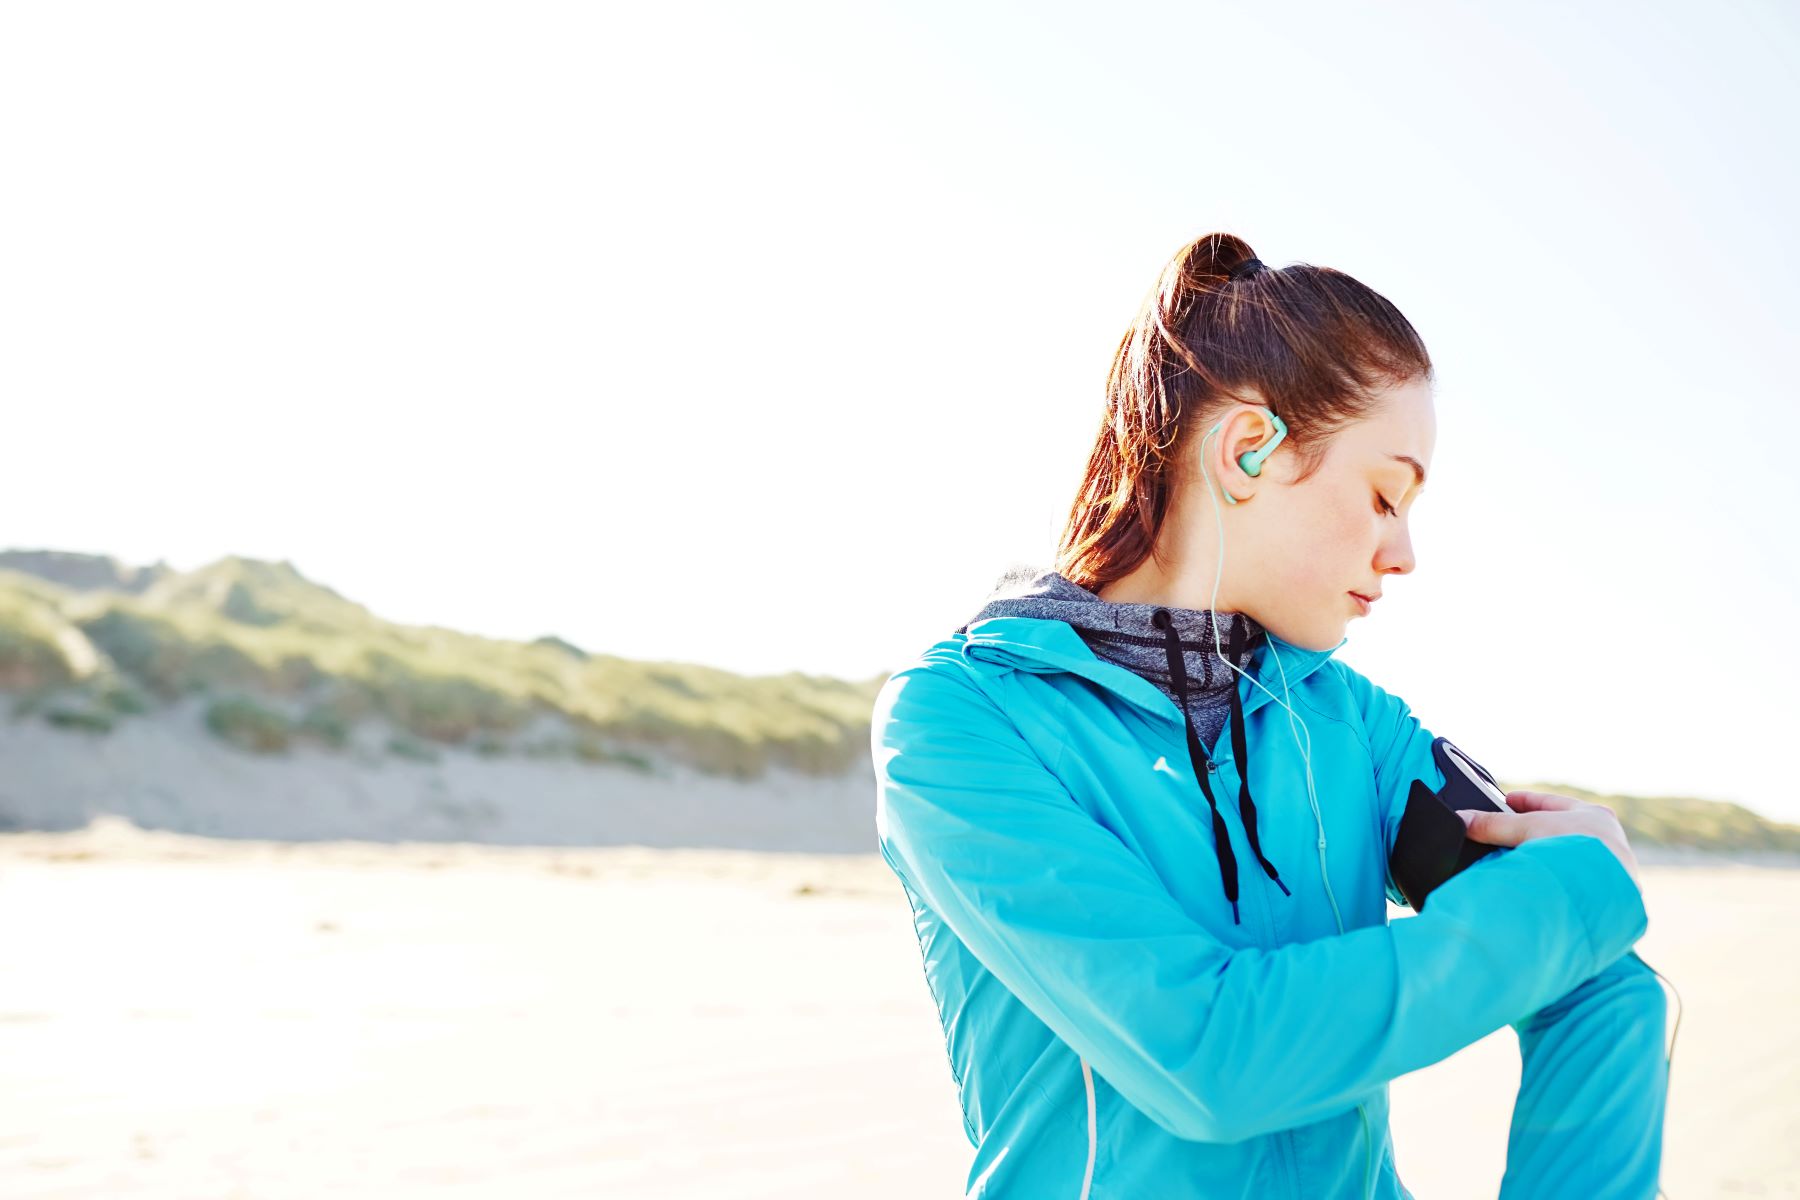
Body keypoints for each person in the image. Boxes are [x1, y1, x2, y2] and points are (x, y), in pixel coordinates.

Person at [869, 233, 1671, 1199]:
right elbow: (1207, 1065)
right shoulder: (962, 719)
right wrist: (1577, 887)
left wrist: (1576, 897)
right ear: (1248, 450)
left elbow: (1601, 989)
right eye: (1384, 496)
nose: (1404, 552)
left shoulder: (1358, 729)